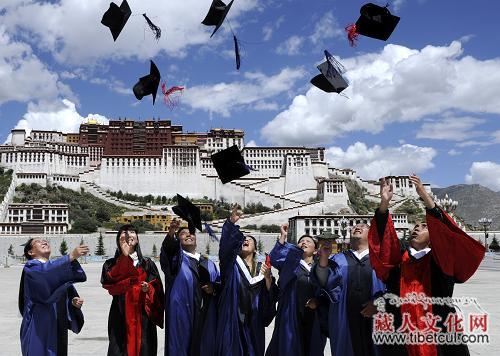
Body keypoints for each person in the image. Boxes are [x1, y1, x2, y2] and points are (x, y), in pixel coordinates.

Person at [369, 175, 485, 356]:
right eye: (415, 226)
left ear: (434, 237)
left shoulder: (442, 262)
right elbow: (384, 239)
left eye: (423, 226)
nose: (416, 228)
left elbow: (445, 232)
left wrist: (426, 197)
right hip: (402, 329)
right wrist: (384, 204)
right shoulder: (398, 260)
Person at [312, 223, 385, 356]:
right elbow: (323, 284)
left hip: (376, 319)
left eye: (363, 226)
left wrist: (380, 304)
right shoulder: (337, 259)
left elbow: (393, 288)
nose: (357, 227)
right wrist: (323, 259)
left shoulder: (382, 260)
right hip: (343, 319)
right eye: (354, 226)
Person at [216, 207, 278, 356]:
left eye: (249, 239)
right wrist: (231, 223)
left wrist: (268, 278)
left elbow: (271, 297)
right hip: (232, 320)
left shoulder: (262, 271)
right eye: (243, 239)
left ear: (255, 249)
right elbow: (225, 246)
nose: (245, 240)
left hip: (254, 323)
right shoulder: (231, 263)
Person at [101, 224, 164, 356]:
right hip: (120, 313)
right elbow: (111, 284)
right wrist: (124, 256)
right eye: (123, 233)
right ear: (118, 240)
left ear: (137, 239)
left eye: (131, 232)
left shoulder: (147, 264)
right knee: (119, 349)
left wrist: (149, 289)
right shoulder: (110, 264)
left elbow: (157, 288)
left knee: (144, 348)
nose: (128, 234)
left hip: (143, 315)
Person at [19, 238, 88, 356]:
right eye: (38, 241)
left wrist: (72, 303)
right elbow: (46, 272)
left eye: (45, 240)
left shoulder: (56, 270)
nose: (44, 242)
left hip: (57, 323)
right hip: (38, 323)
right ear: (30, 252)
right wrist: (71, 256)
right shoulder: (31, 267)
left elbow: (62, 296)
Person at [160, 218, 220, 356]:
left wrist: (213, 288)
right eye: (183, 233)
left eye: (191, 233)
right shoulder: (176, 260)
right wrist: (172, 232)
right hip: (182, 313)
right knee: (181, 348)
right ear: (178, 239)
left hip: (205, 314)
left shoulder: (208, 263)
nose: (188, 235)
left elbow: (219, 284)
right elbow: (168, 251)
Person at [266, 224, 327, 356]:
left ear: (315, 250)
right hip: (290, 312)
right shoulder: (290, 263)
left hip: (314, 316)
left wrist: (318, 301)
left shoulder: (320, 268)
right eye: (301, 241)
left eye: (308, 241)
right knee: (289, 347)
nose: (304, 242)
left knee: (313, 348)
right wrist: (283, 236)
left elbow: (328, 290)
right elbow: (275, 258)